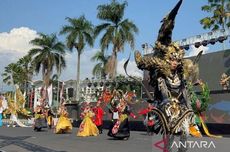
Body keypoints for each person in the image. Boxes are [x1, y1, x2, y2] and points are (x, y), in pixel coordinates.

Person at [135, 0, 202, 151]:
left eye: (177, 60)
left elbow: (186, 91)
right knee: (170, 135)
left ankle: (182, 150)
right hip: (167, 108)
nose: (174, 62)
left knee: (185, 132)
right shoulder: (161, 77)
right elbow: (163, 93)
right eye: (172, 59)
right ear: (167, 59)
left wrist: (194, 102)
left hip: (181, 108)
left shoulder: (180, 76)